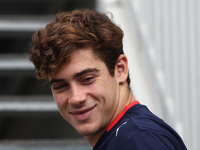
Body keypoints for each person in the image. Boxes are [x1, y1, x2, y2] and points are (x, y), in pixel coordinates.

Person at [29, 9, 187, 150]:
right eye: (61, 86)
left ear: (120, 69)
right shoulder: (128, 136)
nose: (76, 98)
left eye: (87, 79)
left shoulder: (139, 139)